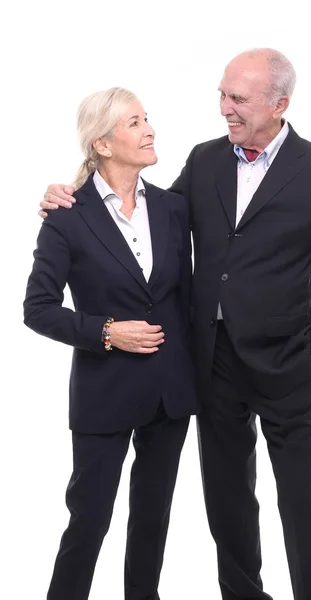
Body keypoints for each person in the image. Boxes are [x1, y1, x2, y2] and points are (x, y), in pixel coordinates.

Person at [39, 49, 311, 600]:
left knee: (300, 502)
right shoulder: (207, 159)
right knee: (227, 499)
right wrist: (70, 195)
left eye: (237, 99)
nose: (224, 108)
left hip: (287, 364)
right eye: (222, 94)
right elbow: (145, 214)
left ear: (279, 104)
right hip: (211, 363)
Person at [25, 86, 199, 600]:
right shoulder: (68, 216)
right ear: (101, 143)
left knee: (152, 519)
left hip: (170, 391)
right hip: (105, 392)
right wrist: (105, 331)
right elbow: (38, 309)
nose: (149, 130)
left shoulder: (173, 207)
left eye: (148, 119)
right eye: (134, 123)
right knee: (89, 522)